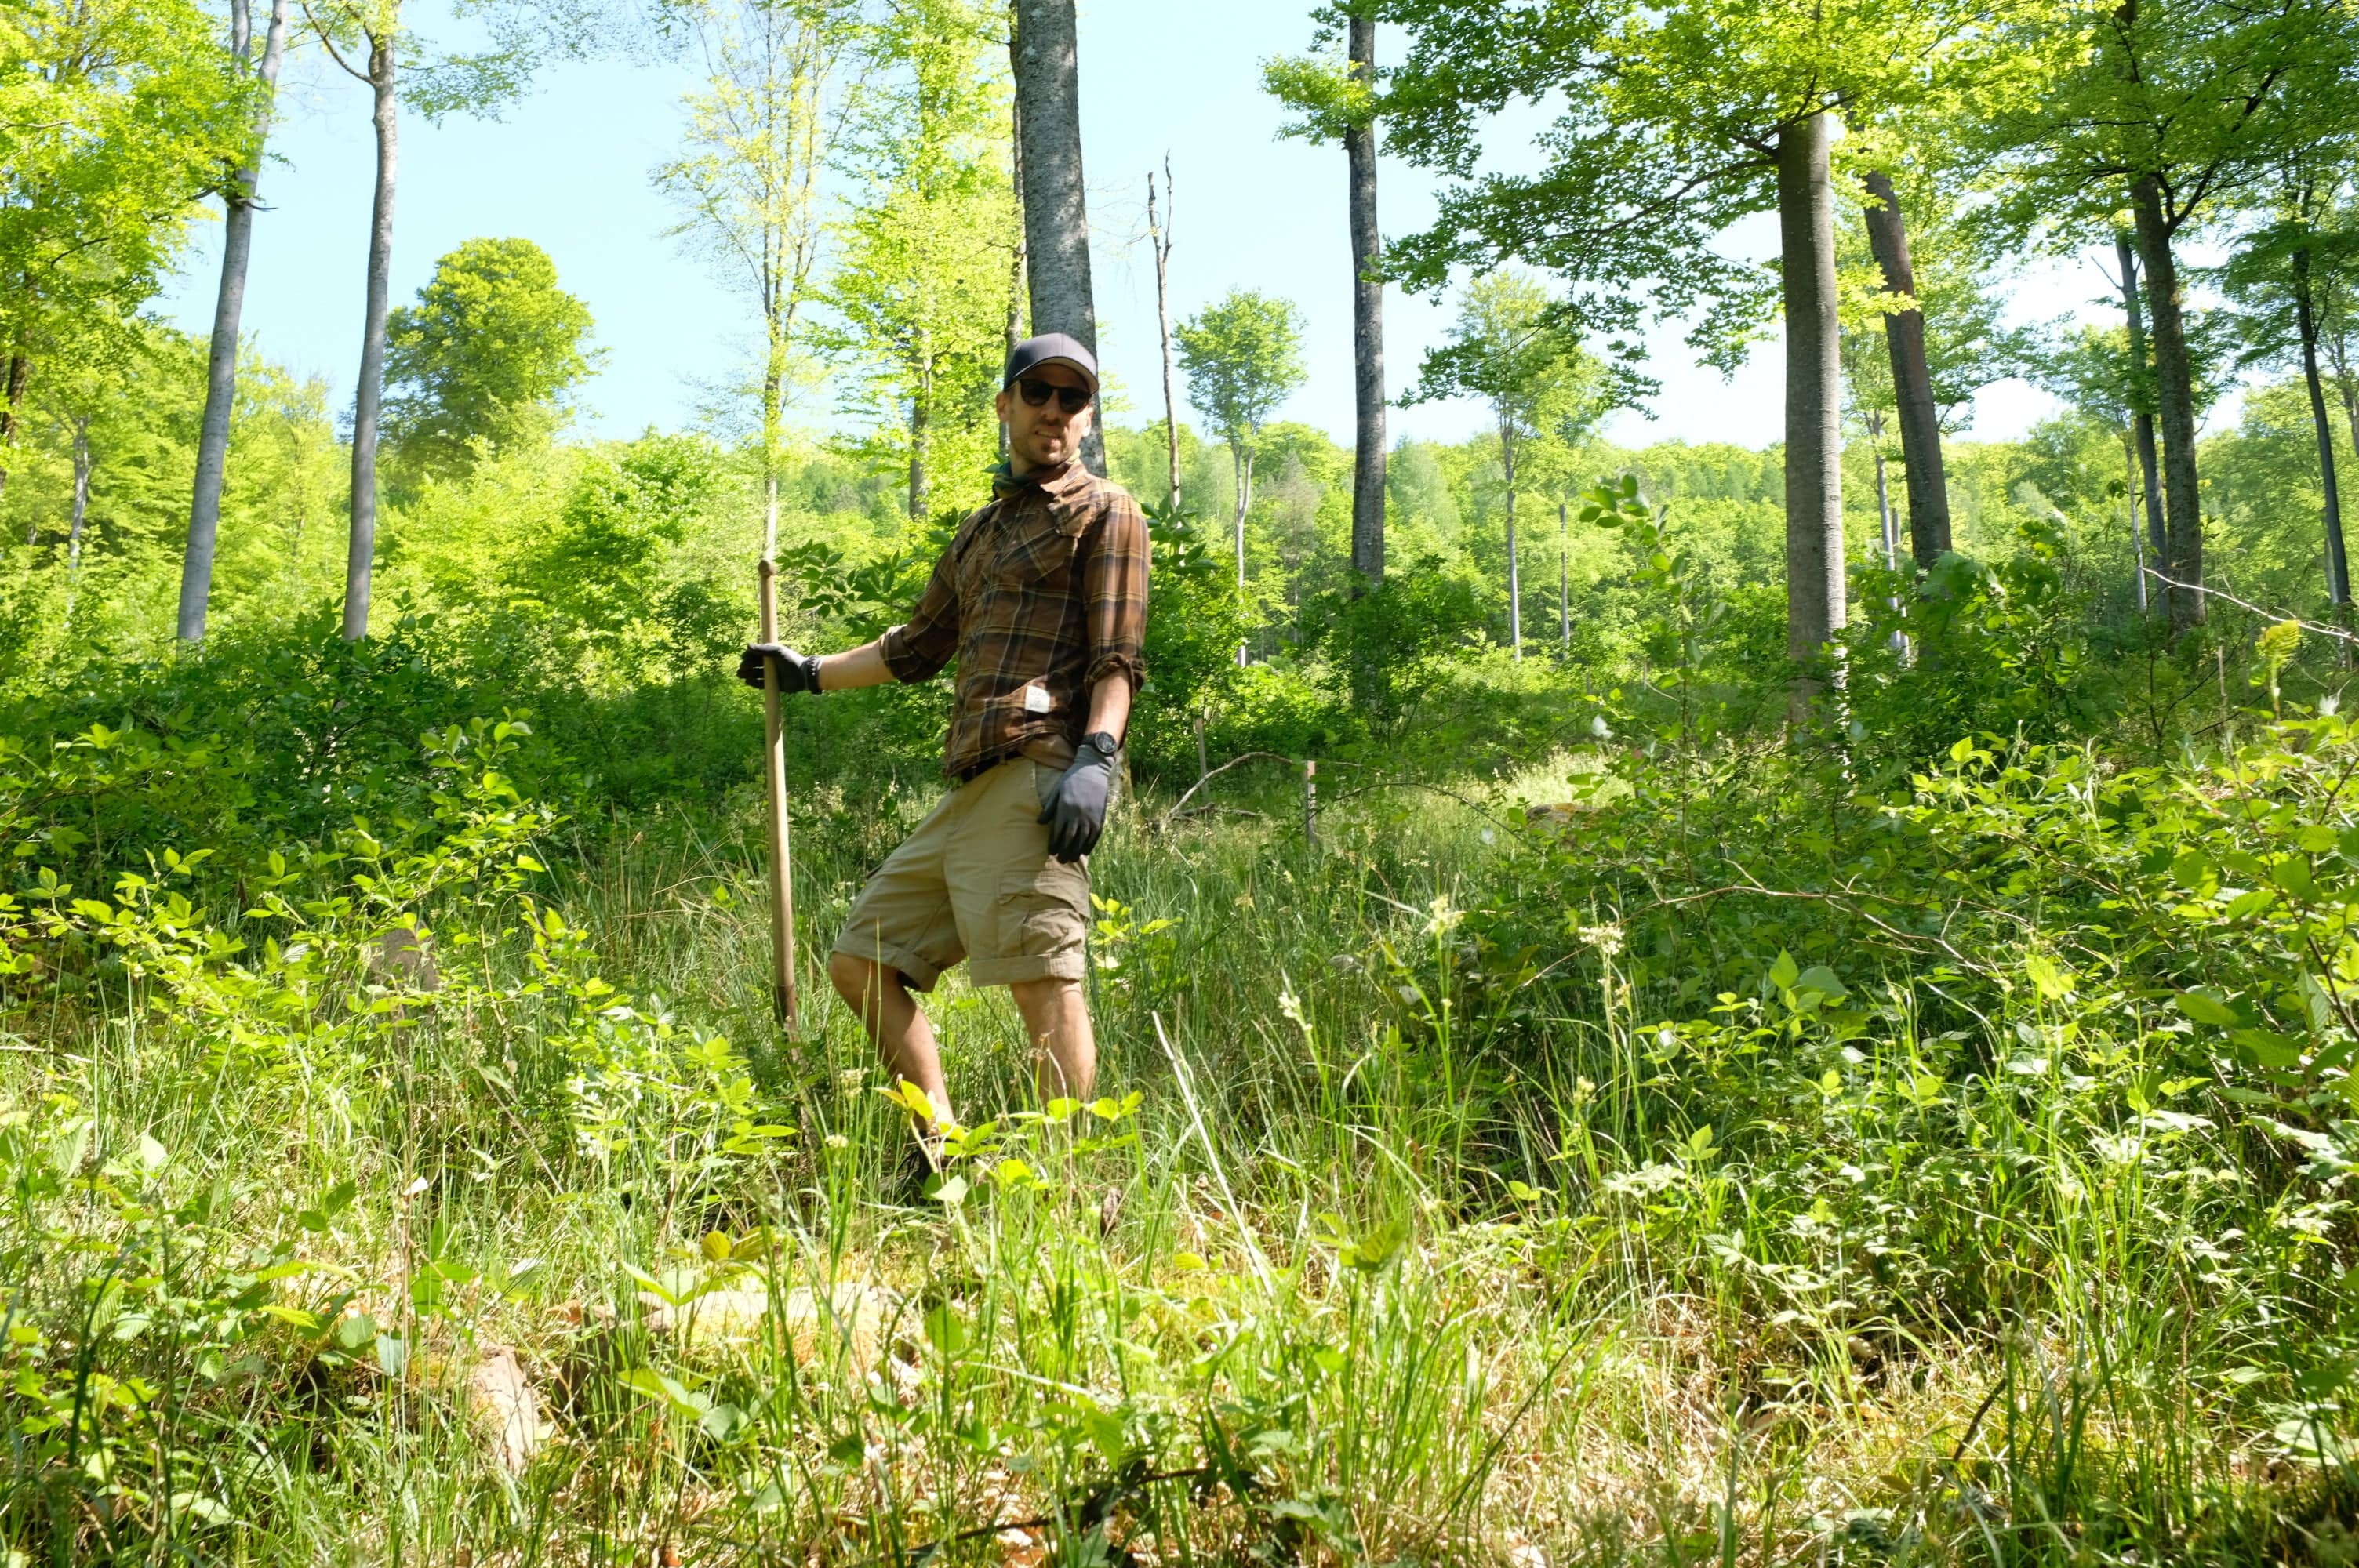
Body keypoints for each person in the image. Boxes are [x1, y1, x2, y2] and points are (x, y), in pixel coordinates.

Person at [736, 332, 1148, 1160]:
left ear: (1087, 416)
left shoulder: (1106, 509)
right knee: (862, 959)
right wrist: (809, 670)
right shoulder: (979, 530)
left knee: (1043, 982)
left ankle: (1063, 1192)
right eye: (1039, 394)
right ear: (1005, 405)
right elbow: (917, 647)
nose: (1055, 413)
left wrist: (1095, 758)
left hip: (1037, 771)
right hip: (967, 788)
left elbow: (1117, 656)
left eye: (1073, 400)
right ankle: (943, 1149)